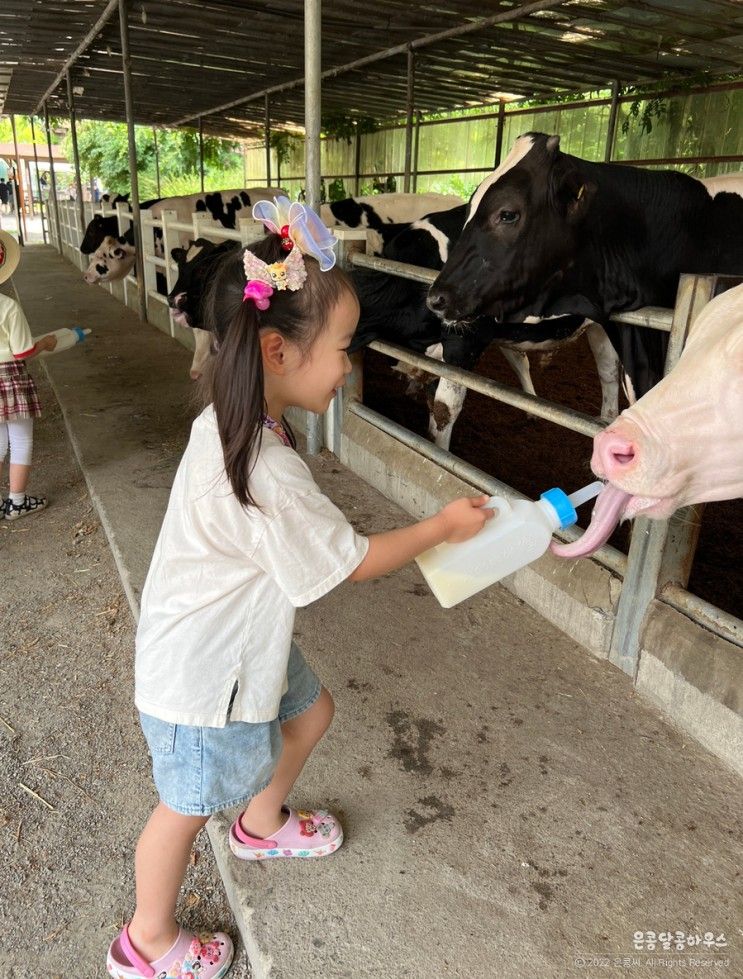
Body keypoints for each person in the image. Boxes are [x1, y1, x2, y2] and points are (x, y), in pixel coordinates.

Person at [106, 198, 493, 979]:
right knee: (182, 810)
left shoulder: (238, 419)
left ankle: (260, 820)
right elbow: (349, 560)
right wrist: (440, 527)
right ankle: (144, 940)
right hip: (202, 681)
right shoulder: (263, 465)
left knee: (310, 710)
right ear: (278, 351)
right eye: (345, 347)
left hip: (241, 647)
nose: (351, 365)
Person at [0, 231, 56, 521]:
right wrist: (45, 343)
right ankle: (17, 502)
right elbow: (23, 351)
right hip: (9, 378)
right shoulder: (8, 307)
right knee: (21, 439)